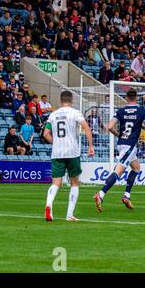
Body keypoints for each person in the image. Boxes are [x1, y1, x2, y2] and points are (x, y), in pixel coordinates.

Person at [94, 89, 145, 212]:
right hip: (130, 146)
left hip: (122, 143)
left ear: (126, 98)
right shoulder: (142, 110)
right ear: (136, 98)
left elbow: (109, 127)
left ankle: (126, 196)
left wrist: (118, 135)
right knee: (118, 172)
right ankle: (101, 194)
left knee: (136, 168)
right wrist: (141, 125)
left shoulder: (120, 111)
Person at [43, 90, 95, 222]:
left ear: (60, 101)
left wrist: (56, 143)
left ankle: (49, 204)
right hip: (72, 152)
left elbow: (45, 134)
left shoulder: (53, 115)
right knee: (74, 182)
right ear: (71, 101)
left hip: (57, 153)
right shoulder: (75, 113)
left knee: (56, 182)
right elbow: (86, 127)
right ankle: (69, 214)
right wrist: (91, 147)